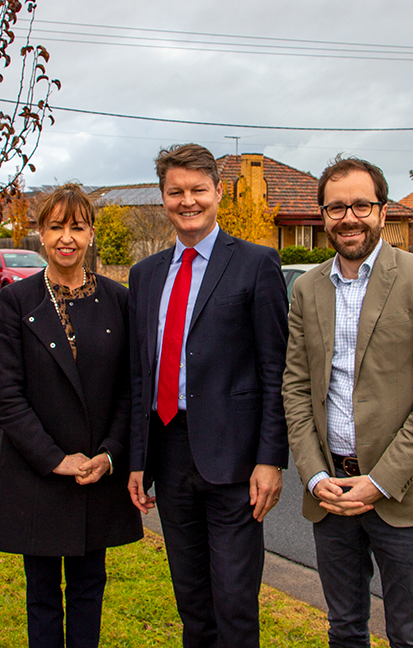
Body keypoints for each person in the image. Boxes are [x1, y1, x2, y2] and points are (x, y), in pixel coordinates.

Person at [281, 156, 413, 648]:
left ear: (382, 212)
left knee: (408, 632)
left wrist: (379, 483)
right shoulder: (307, 287)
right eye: (336, 207)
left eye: (362, 204)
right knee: (344, 629)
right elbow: (295, 389)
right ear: (322, 216)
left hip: (400, 493)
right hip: (331, 492)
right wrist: (316, 476)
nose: (349, 217)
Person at [127, 143, 289, 648]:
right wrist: (138, 460)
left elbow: (275, 371)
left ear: (219, 193)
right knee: (192, 602)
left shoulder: (257, 265)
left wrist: (270, 459)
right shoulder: (145, 274)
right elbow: (139, 375)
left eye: (198, 190)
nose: (188, 201)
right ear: (163, 198)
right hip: (170, 454)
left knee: (235, 604)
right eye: (176, 192)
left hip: (235, 462)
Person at [0, 183, 143, 648]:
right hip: (39, 474)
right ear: (40, 233)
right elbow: (6, 397)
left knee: (89, 588)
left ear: (91, 233)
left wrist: (109, 455)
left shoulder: (120, 300)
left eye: (77, 226)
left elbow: (130, 391)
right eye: (56, 227)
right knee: (42, 596)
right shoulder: (18, 301)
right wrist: (56, 459)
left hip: (97, 473)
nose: (66, 237)